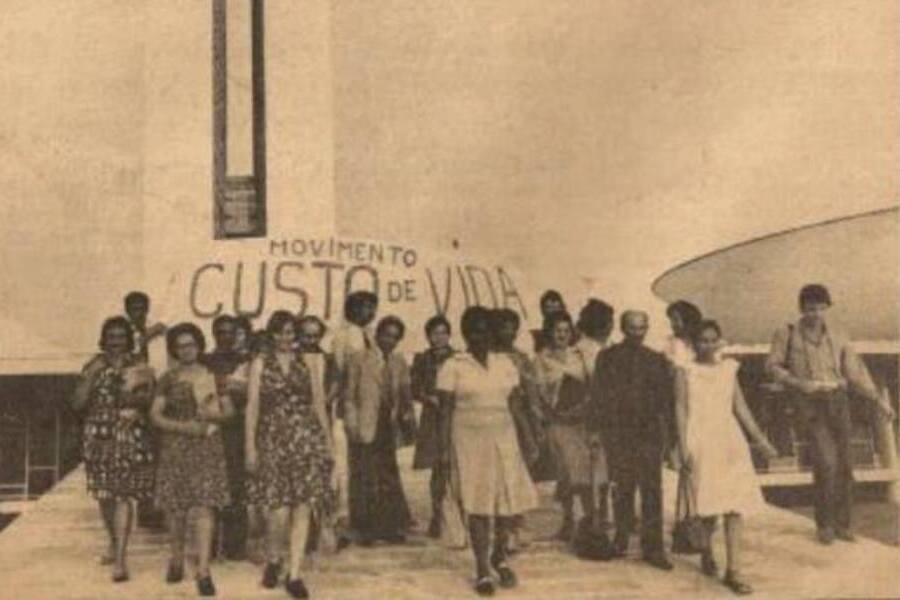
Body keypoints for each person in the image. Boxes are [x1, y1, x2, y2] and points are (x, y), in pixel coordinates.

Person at [765, 284, 894, 545]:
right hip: (809, 402)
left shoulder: (838, 334)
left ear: (826, 308)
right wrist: (799, 383)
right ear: (802, 309)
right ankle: (824, 525)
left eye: (820, 308)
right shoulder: (787, 333)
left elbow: (855, 371)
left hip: (837, 399)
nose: (815, 314)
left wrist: (879, 401)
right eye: (810, 308)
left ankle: (843, 525)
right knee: (826, 462)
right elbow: (772, 366)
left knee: (845, 464)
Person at [436, 306, 538, 596]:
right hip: (468, 441)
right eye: (475, 331)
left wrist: (528, 438)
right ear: (466, 334)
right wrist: (444, 451)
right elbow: (444, 412)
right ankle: (482, 567)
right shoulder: (452, 365)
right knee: (478, 503)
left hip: (504, 437)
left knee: (507, 502)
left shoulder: (505, 363)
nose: (481, 337)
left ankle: (499, 555)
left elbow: (516, 405)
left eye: (486, 331)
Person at [675, 319, 779, 595]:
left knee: (734, 506)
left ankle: (734, 570)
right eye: (702, 340)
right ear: (693, 343)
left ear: (720, 340)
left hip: (730, 441)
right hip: (701, 440)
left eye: (713, 339)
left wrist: (760, 439)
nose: (708, 345)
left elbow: (740, 407)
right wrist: (683, 447)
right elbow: (681, 409)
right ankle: (706, 551)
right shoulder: (684, 371)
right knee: (708, 507)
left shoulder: (730, 369)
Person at [245, 311, 335, 599]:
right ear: (272, 335)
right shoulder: (260, 363)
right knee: (278, 512)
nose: (286, 338)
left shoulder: (310, 362)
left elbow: (319, 404)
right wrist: (250, 447)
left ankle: (294, 573)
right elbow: (252, 408)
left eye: (290, 333)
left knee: (303, 506)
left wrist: (328, 444)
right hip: (272, 440)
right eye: (280, 332)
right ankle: (274, 558)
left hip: (305, 440)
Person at [150, 323, 233, 597]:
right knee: (177, 508)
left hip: (207, 445)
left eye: (191, 344)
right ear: (174, 349)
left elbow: (229, 411)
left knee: (205, 506)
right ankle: (176, 559)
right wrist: (184, 427)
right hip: (176, 445)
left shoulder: (213, 375)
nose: (186, 350)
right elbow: (156, 415)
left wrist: (210, 417)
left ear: (199, 345)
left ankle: (204, 570)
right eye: (181, 345)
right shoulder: (168, 378)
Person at [71, 317, 156, 583]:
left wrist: (138, 408)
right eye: (111, 337)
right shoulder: (93, 365)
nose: (116, 342)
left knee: (122, 495)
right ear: (103, 339)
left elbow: (150, 400)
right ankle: (113, 541)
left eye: (121, 337)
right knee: (104, 495)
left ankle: (120, 559)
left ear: (128, 340)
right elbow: (77, 403)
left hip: (128, 434)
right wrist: (93, 374)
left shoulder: (140, 366)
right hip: (98, 435)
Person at [591, 310, 675, 570]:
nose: (637, 333)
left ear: (647, 328)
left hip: (649, 434)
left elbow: (665, 402)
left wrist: (669, 437)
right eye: (632, 328)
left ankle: (654, 549)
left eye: (641, 328)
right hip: (619, 433)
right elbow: (598, 396)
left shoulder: (656, 360)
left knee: (652, 490)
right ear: (622, 329)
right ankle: (621, 539)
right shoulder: (607, 358)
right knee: (622, 488)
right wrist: (597, 432)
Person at [535, 312, 604, 545]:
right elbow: (539, 393)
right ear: (549, 333)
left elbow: (593, 385)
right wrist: (552, 413)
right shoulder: (541, 359)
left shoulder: (581, 355)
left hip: (581, 420)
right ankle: (568, 520)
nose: (562, 335)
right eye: (557, 331)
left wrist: (584, 408)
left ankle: (590, 520)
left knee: (585, 471)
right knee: (565, 472)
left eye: (566, 331)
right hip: (558, 421)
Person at [344, 316, 414, 545]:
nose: (389, 341)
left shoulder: (399, 361)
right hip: (365, 423)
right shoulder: (359, 359)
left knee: (387, 475)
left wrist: (404, 415)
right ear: (377, 335)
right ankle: (365, 529)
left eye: (395, 337)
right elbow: (350, 396)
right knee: (364, 475)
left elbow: (404, 394)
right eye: (386, 335)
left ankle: (388, 527)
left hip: (387, 424)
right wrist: (352, 424)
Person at [490, 308, 544, 550]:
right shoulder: (488, 356)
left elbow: (532, 396)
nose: (508, 332)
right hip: (493, 420)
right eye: (503, 327)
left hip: (518, 421)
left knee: (519, 472)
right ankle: (499, 526)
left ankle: (515, 523)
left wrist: (536, 424)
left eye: (512, 327)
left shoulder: (522, 358)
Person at [330, 290, 379, 542]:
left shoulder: (367, 335)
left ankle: (363, 522)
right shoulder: (345, 335)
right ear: (351, 309)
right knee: (346, 467)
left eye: (372, 307)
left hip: (367, 406)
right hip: (350, 406)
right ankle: (344, 524)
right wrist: (347, 408)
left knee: (363, 466)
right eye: (363, 307)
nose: (369, 313)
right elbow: (341, 372)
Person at [202, 314, 250, 561]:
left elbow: (249, 394)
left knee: (236, 486)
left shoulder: (245, 360)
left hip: (236, 430)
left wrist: (226, 388)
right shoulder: (205, 360)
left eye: (230, 332)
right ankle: (208, 544)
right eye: (221, 332)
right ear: (214, 334)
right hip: (209, 429)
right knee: (209, 487)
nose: (226, 336)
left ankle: (235, 546)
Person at [296, 315, 342, 553]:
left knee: (323, 475)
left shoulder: (327, 358)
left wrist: (324, 400)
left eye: (315, 335)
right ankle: (304, 534)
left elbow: (335, 385)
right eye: (306, 335)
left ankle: (324, 529)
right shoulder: (292, 358)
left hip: (321, 423)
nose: (311, 339)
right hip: (297, 424)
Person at [410, 314, 456, 538]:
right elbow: (414, 387)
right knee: (437, 468)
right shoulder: (422, 359)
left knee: (455, 466)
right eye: (435, 333)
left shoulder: (459, 358)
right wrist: (428, 397)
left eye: (444, 333)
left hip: (454, 416)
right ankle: (437, 516)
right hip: (432, 417)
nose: (440, 338)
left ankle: (456, 515)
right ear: (428, 336)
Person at [123, 291, 167, 364]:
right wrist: (146, 335)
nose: (139, 313)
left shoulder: (157, 326)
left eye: (142, 309)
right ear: (127, 310)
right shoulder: (123, 330)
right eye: (135, 309)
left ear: (147, 309)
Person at [665, 300, 703, 369]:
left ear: (687, 319)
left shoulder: (702, 341)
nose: (672, 324)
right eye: (671, 320)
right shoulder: (670, 343)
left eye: (676, 320)